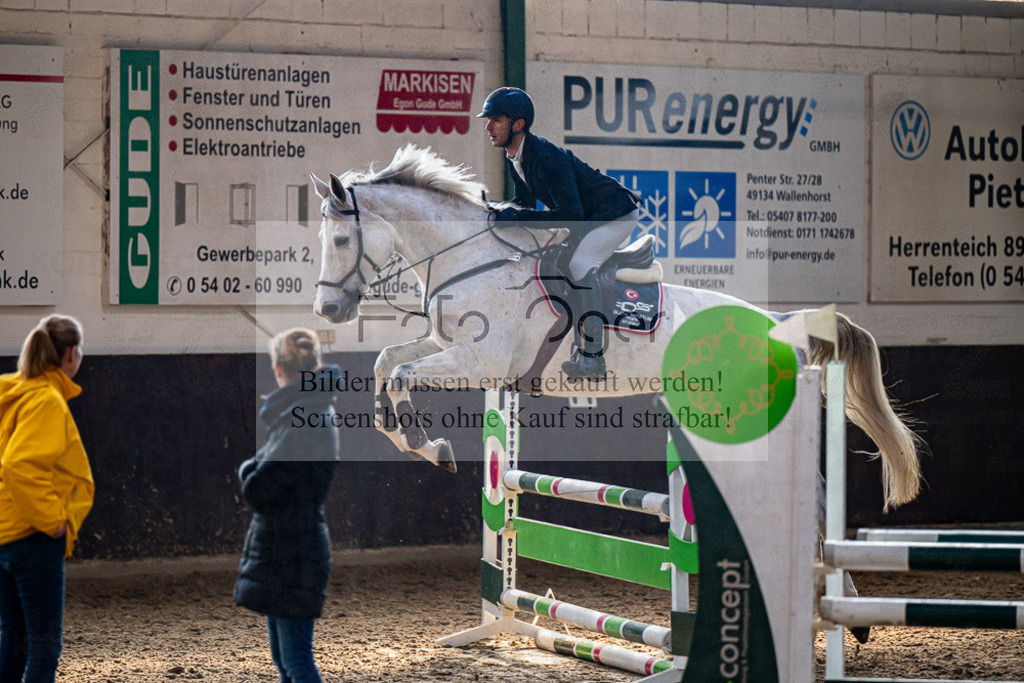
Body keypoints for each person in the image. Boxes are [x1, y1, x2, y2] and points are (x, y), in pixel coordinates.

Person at [478, 86, 641, 380]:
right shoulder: (516, 155)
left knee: (579, 265)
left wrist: (517, 215)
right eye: (488, 120)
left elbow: (572, 216)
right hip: (589, 218)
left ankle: (593, 358)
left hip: (613, 215)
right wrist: (492, 209)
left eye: (496, 120)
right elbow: (523, 205)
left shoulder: (547, 157)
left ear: (519, 124)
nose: (488, 127)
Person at [234, 328, 341, 683]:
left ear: (279, 368)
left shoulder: (300, 420)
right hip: (292, 545)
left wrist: (247, 470)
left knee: (295, 661)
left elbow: (258, 486)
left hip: (290, 549)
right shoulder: (307, 413)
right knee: (288, 660)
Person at [0, 315, 94, 683]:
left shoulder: (13, 394)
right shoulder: (47, 402)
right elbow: (18, 466)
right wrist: (54, 521)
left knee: (15, 641)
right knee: (43, 648)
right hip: (32, 538)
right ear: (70, 354)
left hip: (5, 533)